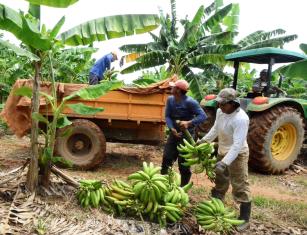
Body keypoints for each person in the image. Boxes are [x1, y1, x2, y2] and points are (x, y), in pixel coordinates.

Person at [197, 88, 251, 231]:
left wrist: (225, 162)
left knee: (240, 185)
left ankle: (245, 219)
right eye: (219, 104)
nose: (219, 106)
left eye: (223, 104)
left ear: (233, 103)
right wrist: (204, 141)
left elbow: (237, 144)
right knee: (220, 182)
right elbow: (215, 129)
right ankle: (216, 208)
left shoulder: (241, 119)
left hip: (238, 154)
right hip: (222, 151)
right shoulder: (221, 111)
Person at [161, 76, 207, 187]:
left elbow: (203, 116)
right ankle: (163, 184)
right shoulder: (170, 100)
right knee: (167, 158)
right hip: (173, 134)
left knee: (184, 163)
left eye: (173, 87)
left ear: (178, 90)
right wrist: (171, 128)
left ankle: (183, 187)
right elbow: (167, 116)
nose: (171, 89)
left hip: (186, 136)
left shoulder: (191, 102)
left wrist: (188, 123)